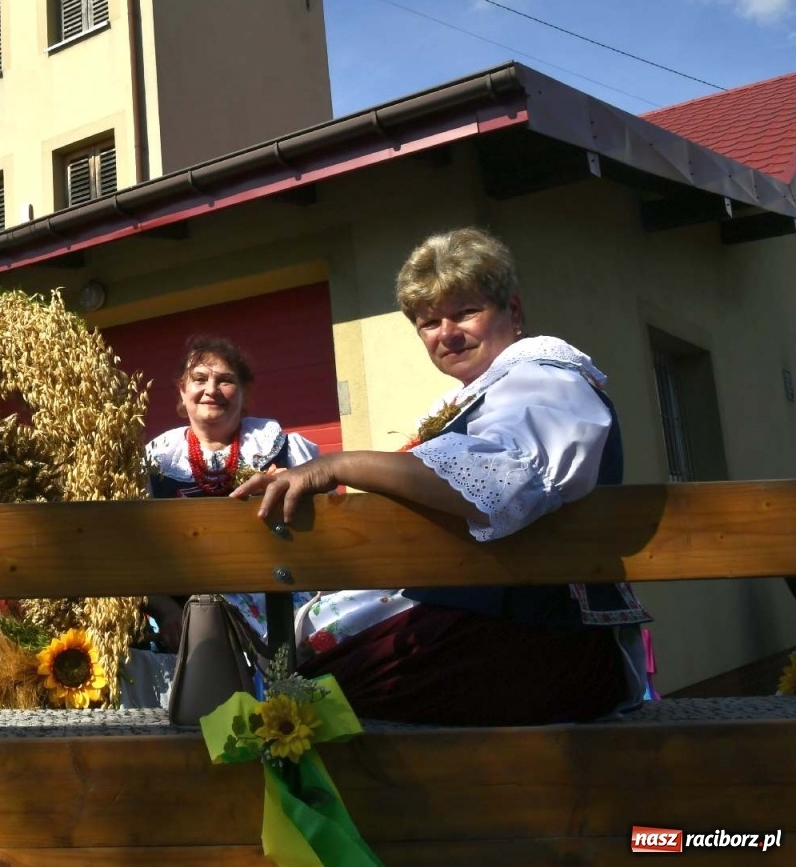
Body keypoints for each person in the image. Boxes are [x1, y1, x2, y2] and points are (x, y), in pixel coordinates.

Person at [234, 227, 650, 725]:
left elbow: (499, 484)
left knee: (311, 708)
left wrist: (335, 464)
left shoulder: (547, 378)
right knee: (293, 698)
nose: (446, 333)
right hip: (491, 628)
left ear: (512, 312)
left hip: (533, 640)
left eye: (465, 312)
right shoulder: (481, 395)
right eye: (429, 322)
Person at [125, 335, 319, 706]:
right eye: (199, 379)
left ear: (244, 392)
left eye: (225, 379)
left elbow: (322, 534)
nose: (211, 389)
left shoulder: (287, 450)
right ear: (182, 392)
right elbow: (134, 548)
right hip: (182, 617)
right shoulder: (154, 462)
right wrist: (165, 609)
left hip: (278, 608)